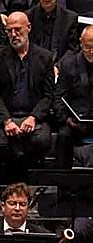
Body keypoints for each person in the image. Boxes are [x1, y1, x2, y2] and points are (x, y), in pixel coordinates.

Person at [0, 12, 55, 182]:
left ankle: (24, 179)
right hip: (9, 116)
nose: (13, 34)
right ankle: (14, 181)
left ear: (29, 28)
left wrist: (34, 117)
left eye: (17, 30)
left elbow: (48, 96)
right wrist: (6, 121)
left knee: (41, 141)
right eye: (9, 31)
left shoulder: (45, 57)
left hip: (33, 116)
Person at [56, 25, 93, 169]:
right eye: (88, 47)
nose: (91, 51)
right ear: (80, 43)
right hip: (75, 121)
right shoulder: (68, 64)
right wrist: (66, 118)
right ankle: (63, 181)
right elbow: (58, 96)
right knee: (63, 135)